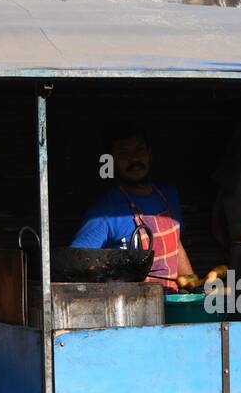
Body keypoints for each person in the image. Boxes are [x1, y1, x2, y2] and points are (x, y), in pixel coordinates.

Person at [70, 124, 200, 289]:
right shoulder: (105, 211)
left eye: (139, 150)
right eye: (124, 153)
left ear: (149, 153)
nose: (134, 159)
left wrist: (193, 288)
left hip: (172, 307)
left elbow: (176, 246)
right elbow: (76, 265)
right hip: (132, 309)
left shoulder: (169, 195)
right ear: (111, 161)